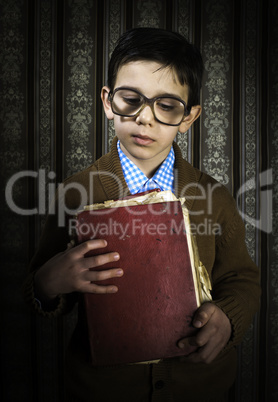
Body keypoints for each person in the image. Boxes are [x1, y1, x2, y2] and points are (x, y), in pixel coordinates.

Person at [23, 28, 260, 402]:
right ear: (107, 101)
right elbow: (37, 292)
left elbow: (242, 279)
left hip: (200, 388)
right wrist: (47, 283)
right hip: (103, 390)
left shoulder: (213, 197)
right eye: (131, 99)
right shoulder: (74, 193)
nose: (144, 118)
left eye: (167, 106)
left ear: (189, 116)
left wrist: (228, 318)